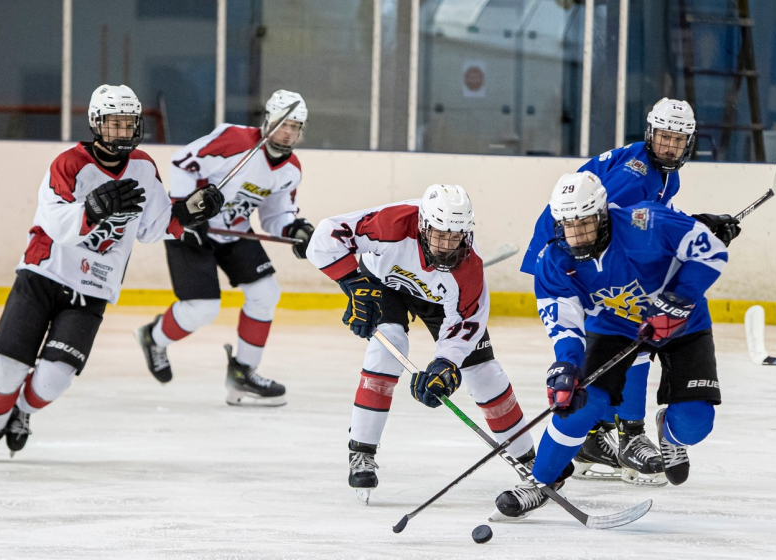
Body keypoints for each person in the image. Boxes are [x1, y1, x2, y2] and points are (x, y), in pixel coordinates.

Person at [0, 84, 224, 460]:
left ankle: (21, 415)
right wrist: (92, 210)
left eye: (128, 124)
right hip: (44, 273)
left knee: (55, 377)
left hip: (94, 286)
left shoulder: (144, 166)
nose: (122, 131)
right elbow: (55, 224)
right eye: (113, 123)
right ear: (96, 124)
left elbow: (151, 226)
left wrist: (188, 211)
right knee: (8, 366)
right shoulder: (68, 164)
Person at [519, 98, 740, 486]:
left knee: (625, 343)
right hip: (570, 259)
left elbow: (651, 227)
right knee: (624, 340)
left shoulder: (664, 174)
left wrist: (697, 227)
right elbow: (611, 226)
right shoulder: (637, 174)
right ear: (649, 134)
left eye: (678, 140)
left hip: (590, 256)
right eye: (664, 137)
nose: (669, 147)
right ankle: (628, 436)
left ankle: (594, 440)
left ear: (689, 142)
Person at [494, 171, 726, 518]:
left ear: (602, 213)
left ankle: (672, 436)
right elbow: (565, 322)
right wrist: (567, 365)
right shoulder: (554, 260)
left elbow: (712, 252)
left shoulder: (644, 221)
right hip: (614, 329)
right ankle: (541, 481)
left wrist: (680, 298)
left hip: (682, 325)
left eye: (585, 223)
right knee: (578, 403)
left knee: (696, 421)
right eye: (568, 226)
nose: (577, 235)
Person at [306, 184, 535, 504]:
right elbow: (328, 233)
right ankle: (361, 452)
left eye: (454, 236)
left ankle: (530, 462)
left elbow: (466, 325)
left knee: (484, 372)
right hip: (382, 284)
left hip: (441, 302)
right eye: (438, 234)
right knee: (388, 346)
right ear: (422, 225)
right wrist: (353, 283)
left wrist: (446, 364)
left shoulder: (468, 269)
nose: (445, 245)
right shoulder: (392, 225)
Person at [135, 90, 314, 407]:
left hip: (233, 232)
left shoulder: (290, 170)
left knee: (265, 293)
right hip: (191, 229)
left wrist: (294, 229)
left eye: (295, 127)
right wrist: (189, 208)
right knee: (202, 309)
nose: (287, 132)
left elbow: (275, 215)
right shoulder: (233, 139)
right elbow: (182, 163)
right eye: (281, 124)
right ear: (267, 121)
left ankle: (243, 374)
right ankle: (154, 337)